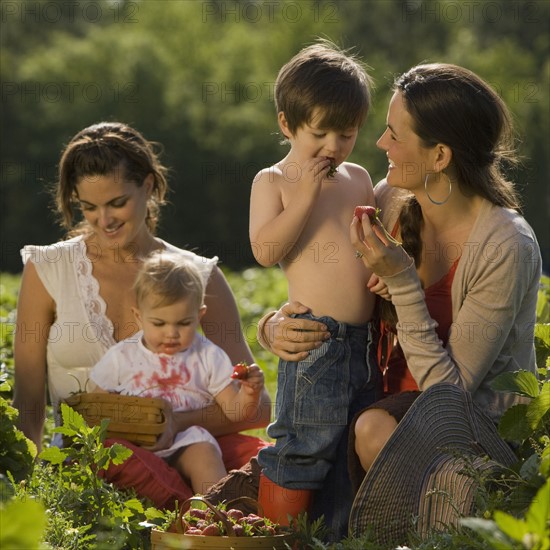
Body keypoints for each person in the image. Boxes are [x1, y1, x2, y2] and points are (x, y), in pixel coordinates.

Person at [257, 63, 541, 538]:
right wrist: (273, 327)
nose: (378, 144)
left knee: (370, 430)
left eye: (393, 133)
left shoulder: (504, 245)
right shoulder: (388, 199)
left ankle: (414, 531)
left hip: (467, 429)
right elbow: (314, 270)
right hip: (371, 396)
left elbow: (449, 399)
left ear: (440, 156)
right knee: (312, 443)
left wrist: (404, 283)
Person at [13, 121, 271, 509]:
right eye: (89, 207)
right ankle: (205, 520)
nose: (105, 219)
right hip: (101, 457)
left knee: (275, 465)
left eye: (117, 202)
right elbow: (29, 401)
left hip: (193, 450)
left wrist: (174, 424)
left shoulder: (198, 276)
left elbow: (260, 406)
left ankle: (213, 514)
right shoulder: (48, 269)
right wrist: (22, 491)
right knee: (139, 465)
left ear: (148, 186)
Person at [249, 40, 382, 529]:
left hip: (364, 343)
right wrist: (304, 194)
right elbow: (265, 251)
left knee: (348, 450)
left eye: (345, 135)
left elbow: (370, 243)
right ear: (287, 124)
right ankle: (278, 536)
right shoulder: (274, 181)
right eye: (319, 133)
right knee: (303, 446)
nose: (333, 147)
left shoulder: (359, 177)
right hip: (317, 339)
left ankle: (333, 536)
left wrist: (383, 273)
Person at [91, 251, 265, 494]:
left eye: (183, 323)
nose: (171, 333)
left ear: (199, 315)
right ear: (139, 317)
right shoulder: (121, 357)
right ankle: (182, 509)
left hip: (186, 442)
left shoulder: (208, 356)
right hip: (138, 444)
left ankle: (213, 514)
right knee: (118, 455)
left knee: (205, 451)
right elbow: (97, 407)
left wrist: (249, 393)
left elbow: (235, 412)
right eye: (159, 324)